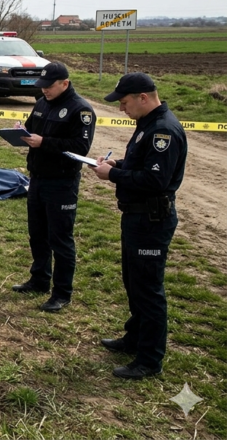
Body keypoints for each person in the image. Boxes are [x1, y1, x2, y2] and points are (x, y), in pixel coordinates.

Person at [91, 73, 187, 380]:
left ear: (143, 97)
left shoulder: (163, 130)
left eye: (124, 102)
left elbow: (155, 180)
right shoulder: (147, 124)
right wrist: (117, 165)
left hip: (151, 220)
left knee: (148, 289)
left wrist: (113, 176)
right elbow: (141, 165)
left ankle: (149, 359)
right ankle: (134, 338)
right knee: (133, 282)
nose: (121, 109)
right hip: (136, 216)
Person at [12, 62, 96, 312]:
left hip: (62, 182)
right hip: (37, 178)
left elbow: (80, 148)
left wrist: (44, 142)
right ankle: (39, 280)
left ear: (65, 84)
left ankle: (62, 293)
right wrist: (20, 133)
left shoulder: (81, 110)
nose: (44, 90)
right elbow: (31, 129)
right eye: (42, 86)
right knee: (37, 234)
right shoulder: (41, 102)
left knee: (60, 238)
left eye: (49, 87)